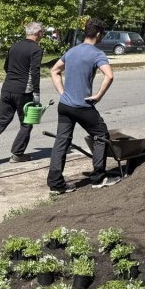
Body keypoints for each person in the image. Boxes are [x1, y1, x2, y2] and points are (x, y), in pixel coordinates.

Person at [46, 18, 116, 193]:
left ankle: (55, 184)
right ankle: (99, 177)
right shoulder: (97, 54)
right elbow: (109, 76)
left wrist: (62, 93)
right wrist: (98, 96)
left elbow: (54, 71)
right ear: (98, 34)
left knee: (61, 142)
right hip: (83, 107)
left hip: (65, 106)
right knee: (101, 135)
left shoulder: (71, 51)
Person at [0, 21, 45, 166]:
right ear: (38, 33)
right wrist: (36, 94)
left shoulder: (14, 45)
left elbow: (6, 66)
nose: (42, 35)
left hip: (7, 88)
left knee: (2, 120)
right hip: (23, 91)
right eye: (42, 32)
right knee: (27, 123)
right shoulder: (36, 49)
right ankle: (18, 154)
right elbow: (35, 72)